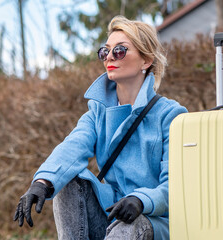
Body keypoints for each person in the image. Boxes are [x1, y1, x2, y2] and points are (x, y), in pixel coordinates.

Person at [13, 15, 187, 240]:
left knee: (130, 225)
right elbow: (73, 147)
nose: (110, 58)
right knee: (69, 181)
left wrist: (141, 201)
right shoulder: (98, 112)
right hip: (111, 216)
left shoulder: (171, 116)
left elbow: (175, 186)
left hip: (155, 221)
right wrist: (42, 182)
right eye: (105, 51)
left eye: (120, 51)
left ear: (146, 60)